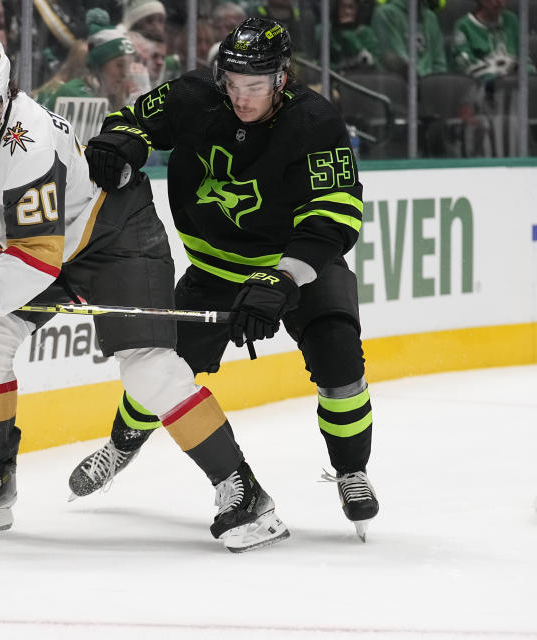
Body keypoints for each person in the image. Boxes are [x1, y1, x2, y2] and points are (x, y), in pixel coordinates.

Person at [0, 33, 285, 552]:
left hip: (115, 235)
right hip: (37, 246)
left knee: (149, 368)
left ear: (7, 95)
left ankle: (243, 491)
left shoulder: (31, 141)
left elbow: (37, 259)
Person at [69, 17, 380, 543]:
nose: (241, 97)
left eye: (254, 87)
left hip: (297, 271)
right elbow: (135, 120)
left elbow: (336, 213)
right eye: (233, 84)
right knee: (161, 369)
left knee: (340, 359)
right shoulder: (196, 95)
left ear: (282, 79)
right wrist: (118, 144)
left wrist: (283, 279)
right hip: (214, 271)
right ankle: (123, 444)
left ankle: (351, 470)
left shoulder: (315, 121)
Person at [451, 0, 534, 85]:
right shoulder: (463, 27)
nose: (500, 2)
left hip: (516, 86)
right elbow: (467, 67)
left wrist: (527, 72)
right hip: (481, 90)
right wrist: (499, 80)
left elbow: (525, 59)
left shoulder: (512, 20)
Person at [371, 0, 447, 77]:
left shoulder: (431, 18)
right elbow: (395, 62)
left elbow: (439, 64)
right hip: (398, 84)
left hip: (429, 85)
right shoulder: (386, 14)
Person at [314, 0, 379, 72]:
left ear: (357, 10)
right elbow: (321, 63)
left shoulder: (365, 33)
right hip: (336, 78)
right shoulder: (328, 32)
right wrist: (338, 69)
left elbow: (373, 63)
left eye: (351, 7)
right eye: (342, 7)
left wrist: (348, 35)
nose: (347, 11)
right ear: (336, 9)